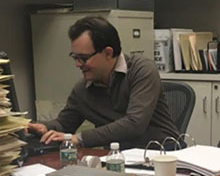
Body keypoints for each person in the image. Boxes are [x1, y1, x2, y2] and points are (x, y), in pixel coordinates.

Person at [28, 15, 179, 150]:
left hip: (163, 154)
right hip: (118, 159)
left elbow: (134, 124)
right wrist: (45, 127)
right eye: (75, 57)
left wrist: (80, 139)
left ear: (108, 53)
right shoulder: (83, 89)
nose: (78, 64)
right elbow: (64, 124)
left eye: (83, 58)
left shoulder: (142, 70)